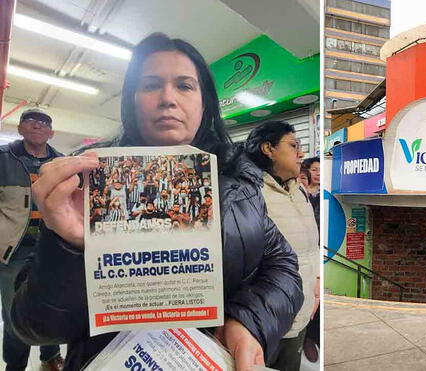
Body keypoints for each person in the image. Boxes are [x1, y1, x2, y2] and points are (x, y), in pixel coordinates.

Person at [10, 33, 303, 370]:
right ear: (131, 101)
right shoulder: (85, 182)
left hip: (212, 358)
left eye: (184, 85)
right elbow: (34, 325)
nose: (167, 98)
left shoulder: (238, 179)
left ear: (205, 101)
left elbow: (282, 266)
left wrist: (248, 322)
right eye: (150, 85)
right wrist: (71, 245)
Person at [246, 121, 320, 371]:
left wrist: (315, 284)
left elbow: (310, 249)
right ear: (268, 149)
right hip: (262, 325)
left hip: (299, 317)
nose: (301, 153)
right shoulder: (248, 194)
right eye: (293, 145)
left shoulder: (298, 192)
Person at [0, 108, 65, 371]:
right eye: (31, 121)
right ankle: (14, 365)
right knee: (15, 313)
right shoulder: (4, 158)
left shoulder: (62, 162)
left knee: (52, 305)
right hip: (13, 251)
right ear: (20, 128)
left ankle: (49, 355)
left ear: (51, 132)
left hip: (52, 250)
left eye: (44, 123)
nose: (37, 126)